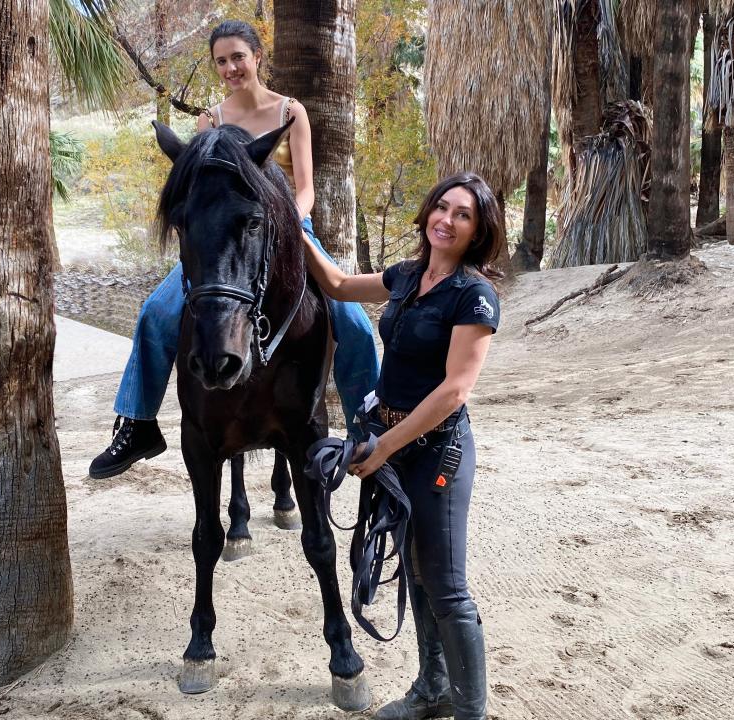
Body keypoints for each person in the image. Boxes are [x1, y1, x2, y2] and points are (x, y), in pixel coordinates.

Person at [89, 19, 379, 479]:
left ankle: (369, 422)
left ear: (257, 57)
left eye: (238, 57)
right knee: (156, 313)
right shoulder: (211, 121)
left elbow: (306, 188)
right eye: (221, 61)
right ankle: (138, 424)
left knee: (354, 321)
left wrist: (289, 226)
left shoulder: (291, 112)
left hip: (287, 230)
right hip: (225, 242)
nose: (230, 68)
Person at [303, 172, 503, 720]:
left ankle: (471, 713)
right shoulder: (407, 276)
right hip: (396, 445)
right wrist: (294, 225)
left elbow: (455, 390)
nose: (448, 219)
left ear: (478, 230)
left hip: (437, 449)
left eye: (463, 214)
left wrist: (384, 446)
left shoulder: (474, 295)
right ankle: (433, 689)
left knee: (446, 584)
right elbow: (340, 286)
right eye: (443, 207)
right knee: (415, 570)